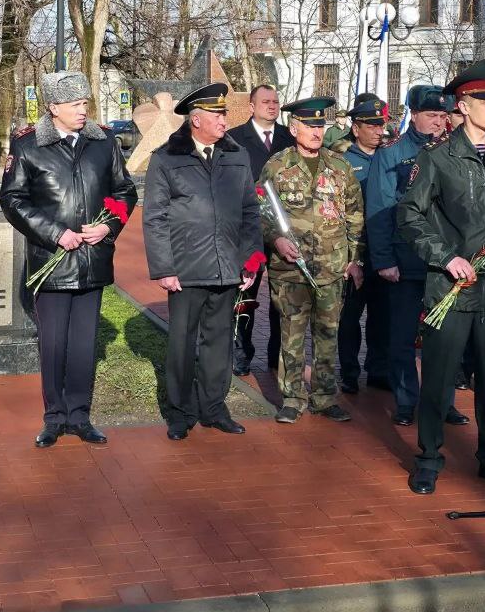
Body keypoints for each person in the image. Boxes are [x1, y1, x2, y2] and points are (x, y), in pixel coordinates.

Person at [398, 59, 485, 495]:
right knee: (438, 378)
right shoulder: (435, 158)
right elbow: (410, 216)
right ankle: (429, 457)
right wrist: (446, 257)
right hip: (450, 289)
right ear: (464, 104)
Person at [0, 71, 137, 447]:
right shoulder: (28, 146)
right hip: (52, 262)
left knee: (83, 345)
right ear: (53, 107)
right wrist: (55, 233)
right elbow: (12, 200)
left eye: (85, 103)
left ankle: (80, 416)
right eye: (75, 104)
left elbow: (125, 191)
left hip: (92, 260)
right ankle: (54, 418)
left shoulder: (103, 141)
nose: (82, 110)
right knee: (54, 344)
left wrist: (108, 226)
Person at [143, 82, 263, 440]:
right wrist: (164, 268)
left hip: (227, 266)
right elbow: (155, 217)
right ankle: (180, 412)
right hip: (185, 269)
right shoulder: (167, 157)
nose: (224, 119)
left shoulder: (236, 155)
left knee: (219, 341)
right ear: (196, 119)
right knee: (182, 342)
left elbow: (249, 212)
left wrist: (251, 260)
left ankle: (214, 407)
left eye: (224, 113)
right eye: (217, 114)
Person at [366, 85, 468, 427]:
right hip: (405, 259)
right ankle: (407, 400)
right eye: (431, 115)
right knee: (403, 336)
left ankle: (442, 401)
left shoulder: (455, 151)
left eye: (443, 115)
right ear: (414, 114)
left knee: (445, 337)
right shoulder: (392, 154)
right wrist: (383, 260)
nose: (438, 122)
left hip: (445, 262)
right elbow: (379, 208)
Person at [259, 97, 364, 423]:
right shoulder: (276, 166)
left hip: (331, 269)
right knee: (291, 337)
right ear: (294, 128)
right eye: (310, 126)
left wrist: (354, 259)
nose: (317, 132)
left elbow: (355, 216)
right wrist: (275, 238)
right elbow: (261, 211)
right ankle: (292, 398)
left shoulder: (341, 167)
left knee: (327, 336)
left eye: (321, 126)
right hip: (290, 269)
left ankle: (323, 396)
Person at [227, 85, 295, 376]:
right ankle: (241, 353)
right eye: (265, 101)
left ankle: (275, 354)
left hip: (282, 230)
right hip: (248, 229)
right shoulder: (233, 139)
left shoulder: (289, 139)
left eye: (276, 101)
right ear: (251, 106)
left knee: (283, 295)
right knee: (245, 294)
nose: (272, 106)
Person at [334, 96, 390, 393]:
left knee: (382, 315)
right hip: (354, 252)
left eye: (382, 124)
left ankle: (378, 368)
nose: (379, 130)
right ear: (356, 128)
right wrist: (346, 257)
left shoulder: (390, 157)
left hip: (384, 252)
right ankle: (350, 371)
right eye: (372, 125)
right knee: (350, 317)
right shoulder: (342, 162)